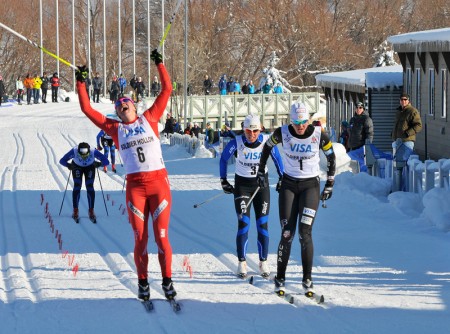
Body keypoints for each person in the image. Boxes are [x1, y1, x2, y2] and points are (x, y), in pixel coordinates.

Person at [74, 48, 177, 302]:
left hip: (158, 184)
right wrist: (81, 81)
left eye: (126, 103)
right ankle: (143, 282)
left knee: (162, 238)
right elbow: (87, 109)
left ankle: (167, 280)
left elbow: (166, 90)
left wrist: (159, 64)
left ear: (134, 106)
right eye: (119, 106)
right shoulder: (115, 129)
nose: (123, 106)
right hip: (136, 189)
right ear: (117, 113)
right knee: (140, 239)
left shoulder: (149, 118)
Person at [256, 101, 336, 298]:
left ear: (309, 120)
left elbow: (332, 157)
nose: (300, 126)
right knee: (287, 233)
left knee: (305, 233)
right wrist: (261, 170)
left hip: (310, 187)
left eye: (303, 121)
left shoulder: (318, 134)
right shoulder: (282, 133)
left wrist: (330, 182)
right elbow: (266, 148)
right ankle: (281, 277)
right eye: (296, 122)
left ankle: (307, 278)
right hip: (289, 186)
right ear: (290, 121)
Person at [220, 114, 284, 278]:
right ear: (244, 130)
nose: (252, 134)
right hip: (243, 187)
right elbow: (223, 159)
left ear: (260, 129)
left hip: (261, 188)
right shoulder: (238, 142)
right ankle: (242, 262)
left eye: (255, 131)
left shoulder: (266, 142)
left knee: (262, 224)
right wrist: (224, 180)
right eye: (248, 131)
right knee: (244, 223)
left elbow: (278, 160)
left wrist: (282, 178)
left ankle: (263, 261)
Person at [59, 142, 109, 223]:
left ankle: (91, 210)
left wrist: (99, 164)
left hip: (89, 167)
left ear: (89, 150)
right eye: (81, 153)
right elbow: (62, 160)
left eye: (85, 153)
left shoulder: (93, 151)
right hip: (77, 167)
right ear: (78, 150)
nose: (83, 155)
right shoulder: (74, 151)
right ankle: (75, 210)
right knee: (77, 186)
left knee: (89, 186)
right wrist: (68, 165)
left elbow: (106, 161)